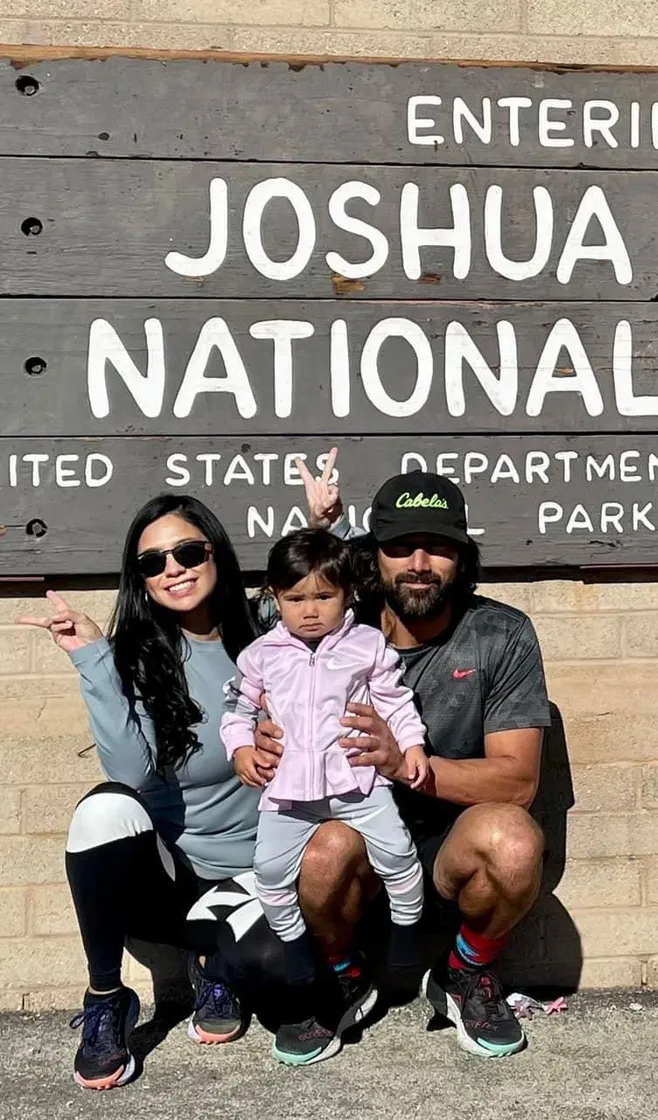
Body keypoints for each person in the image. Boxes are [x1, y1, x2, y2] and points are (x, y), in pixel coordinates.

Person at [15, 495, 380, 1089]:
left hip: (261, 874)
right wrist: (92, 659)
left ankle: (220, 967)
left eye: (186, 552)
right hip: (174, 879)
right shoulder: (134, 657)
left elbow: (341, 603)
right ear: (141, 579)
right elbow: (131, 773)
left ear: (215, 551)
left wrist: (330, 528)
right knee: (104, 808)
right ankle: (107, 1000)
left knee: (277, 975)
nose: (173, 569)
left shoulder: (271, 631)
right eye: (152, 563)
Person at [251, 454, 551, 1059]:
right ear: (372, 556)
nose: (418, 564)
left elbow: (517, 781)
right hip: (349, 829)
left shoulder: (499, 633)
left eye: (437, 547)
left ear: (462, 557)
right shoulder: (333, 619)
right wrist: (253, 731)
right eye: (400, 547)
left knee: (513, 840)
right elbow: (272, 611)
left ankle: (465, 972)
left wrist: (404, 763)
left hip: (448, 841)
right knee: (321, 846)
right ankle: (344, 976)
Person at [220, 527, 429, 1065]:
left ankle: (408, 933)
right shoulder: (260, 656)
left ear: (348, 595)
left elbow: (397, 703)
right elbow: (237, 713)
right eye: (295, 599)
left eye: (323, 596)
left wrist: (412, 747)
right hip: (289, 791)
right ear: (274, 597)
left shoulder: (367, 645)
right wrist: (242, 750)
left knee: (397, 854)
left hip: (357, 779)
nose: (310, 610)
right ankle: (296, 955)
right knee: (269, 870)